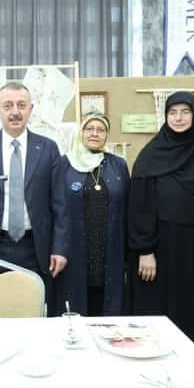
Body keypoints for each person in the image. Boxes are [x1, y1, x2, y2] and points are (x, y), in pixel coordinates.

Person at [129, 94, 194, 361]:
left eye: (186, 112)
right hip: (158, 250)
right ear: (165, 116)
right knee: (158, 316)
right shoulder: (150, 155)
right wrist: (145, 250)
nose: (179, 118)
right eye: (173, 112)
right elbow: (139, 206)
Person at [0, 82, 68, 313]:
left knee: (35, 312)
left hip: (37, 249)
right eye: (8, 105)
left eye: (21, 105)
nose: (15, 112)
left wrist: (60, 248)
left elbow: (60, 206)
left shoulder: (48, 149)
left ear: (31, 109)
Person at [57, 113, 129, 317]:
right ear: (81, 132)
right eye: (89, 129)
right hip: (75, 250)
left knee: (108, 308)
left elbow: (127, 207)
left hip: (110, 249)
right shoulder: (64, 164)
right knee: (77, 307)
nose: (94, 133)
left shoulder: (119, 165)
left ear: (106, 135)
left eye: (101, 130)